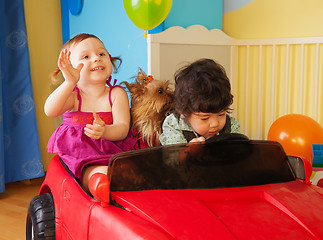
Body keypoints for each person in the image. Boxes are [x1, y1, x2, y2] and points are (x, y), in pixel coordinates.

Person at [45, 33, 135, 200]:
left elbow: (122, 128)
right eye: (86, 56)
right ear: (70, 68)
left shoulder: (116, 94)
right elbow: (50, 110)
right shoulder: (74, 96)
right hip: (81, 155)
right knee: (94, 171)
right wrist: (69, 82)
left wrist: (105, 131)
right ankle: (98, 185)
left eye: (102, 54)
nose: (96, 59)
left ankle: (118, 184)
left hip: (113, 151)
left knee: (127, 168)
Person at [159, 58, 240, 145]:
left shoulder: (231, 125)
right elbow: (173, 157)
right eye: (204, 118)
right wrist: (188, 151)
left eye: (221, 114)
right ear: (185, 112)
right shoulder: (174, 124)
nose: (214, 124)